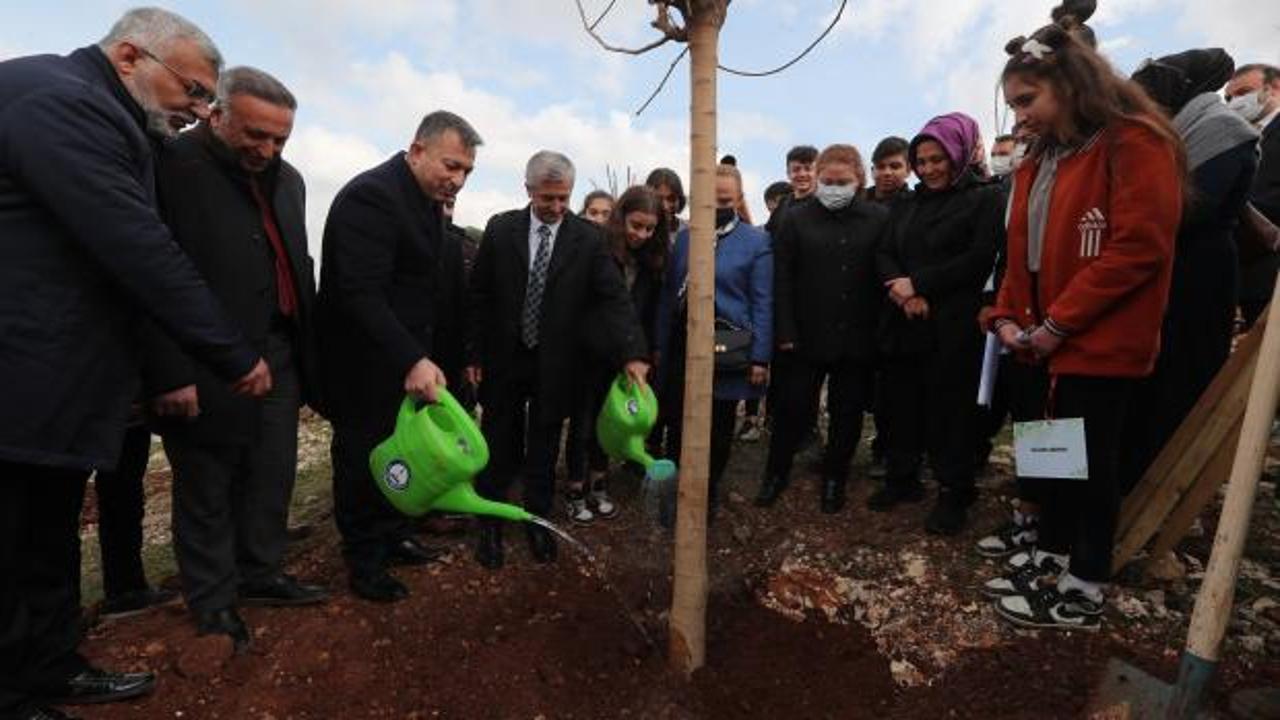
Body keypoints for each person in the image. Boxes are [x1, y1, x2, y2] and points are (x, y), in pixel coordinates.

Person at [0, 8, 272, 718]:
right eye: (193, 90)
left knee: (48, 533)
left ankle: (52, 667)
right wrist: (228, 352)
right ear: (129, 57)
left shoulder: (102, 113)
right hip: (18, 374)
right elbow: (137, 247)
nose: (199, 110)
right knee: (13, 538)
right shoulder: (61, 102)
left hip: (53, 379)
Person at [984, 7, 1182, 631]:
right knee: (1051, 458)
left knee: (1092, 465)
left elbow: (1139, 247)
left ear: (1069, 85)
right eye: (1013, 105)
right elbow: (1022, 253)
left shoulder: (1135, 141)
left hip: (1096, 342)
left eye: (1027, 100)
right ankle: (1051, 553)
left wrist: (1059, 323)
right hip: (1040, 340)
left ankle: (1086, 585)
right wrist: (1008, 317)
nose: (1019, 117)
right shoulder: (1042, 159)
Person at [142, 66, 329, 649]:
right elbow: (148, 274)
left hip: (280, 349)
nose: (267, 150)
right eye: (256, 135)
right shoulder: (172, 166)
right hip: (204, 354)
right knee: (207, 482)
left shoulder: (290, 181)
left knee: (273, 470)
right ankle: (213, 601)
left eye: (280, 139)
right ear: (217, 114)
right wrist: (169, 371)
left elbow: (298, 262)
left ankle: (262, 572)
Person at [317, 110, 479, 603]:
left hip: (401, 362)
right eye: (451, 166)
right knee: (363, 459)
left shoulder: (424, 201)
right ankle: (364, 562)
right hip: (364, 365)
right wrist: (411, 358)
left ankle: (392, 535)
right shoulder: (372, 197)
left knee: (400, 453)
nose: (458, 180)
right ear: (417, 150)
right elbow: (359, 293)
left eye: (467, 171)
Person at [468, 151, 649, 569]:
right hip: (504, 356)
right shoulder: (500, 229)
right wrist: (472, 353)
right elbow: (479, 295)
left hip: (557, 360)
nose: (556, 207)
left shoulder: (588, 239)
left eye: (563, 198)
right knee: (498, 439)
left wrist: (633, 352)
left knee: (545, 442)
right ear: (528, 190)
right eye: (547, 198)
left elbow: (614, 298)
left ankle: (538, 519)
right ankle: (491, 521)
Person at [1122, 50, 1259, 491]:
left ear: (1181, 87)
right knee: (1147, 382)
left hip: (1197, 274)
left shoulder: (1221, 130)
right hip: (1159, 268)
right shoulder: (1173, 134)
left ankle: (1164, 485)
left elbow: (1189, 210)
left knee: (1181, 380)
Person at [870, 112, 1003, 536]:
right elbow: (884, 251)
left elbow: (979, 257)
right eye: (921, 161)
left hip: (954, 325)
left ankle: (954, 492)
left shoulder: (985, 198)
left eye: (937, 159)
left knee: (951, 414)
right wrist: (902, 290)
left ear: (958, 154)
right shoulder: (907, 203)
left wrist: (921, 284)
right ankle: (901, 477)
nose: (928, 169)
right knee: (901, 405)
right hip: (905, 318)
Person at [759, 145, 888, 513]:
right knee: (792, 409)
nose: (834, 189)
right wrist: (785, 331)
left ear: (858, 180)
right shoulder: (795, 219)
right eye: (827, 182)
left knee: (847, 413)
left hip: (856, 336)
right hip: (804, 336)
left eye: (842, 182)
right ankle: (776, 473)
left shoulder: (878, 219)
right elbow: (782, 278)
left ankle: (835, 478)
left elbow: (882, 274)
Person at [657, 163, 773, 518]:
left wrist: (760, 357)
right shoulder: (687, 237)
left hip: (726, 343)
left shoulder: (756, 242)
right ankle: (676, 491)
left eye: (726, 200)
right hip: (682, 342)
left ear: (738, 199)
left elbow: (763, 301)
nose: (718, 205)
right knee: (677, 420)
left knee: (718, 424)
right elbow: (668, 293)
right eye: (712, 199)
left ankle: (706, 493)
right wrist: (659, 344)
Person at [564, 186, 669, 523]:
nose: (641, 234)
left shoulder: (651, 261)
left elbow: (645, 313)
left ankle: (599, 482)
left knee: (612, 422)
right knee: (582, 422)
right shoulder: (598, 249)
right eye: (636, 225)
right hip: (587, 353)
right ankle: (575, 488)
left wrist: (640, 354)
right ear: (620, 217)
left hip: (625, 359)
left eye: (650, 228)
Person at [1224, 63, 1280, 327]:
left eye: (1243, 92)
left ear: (1275, 88)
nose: (1234, 102)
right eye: (1228, 98)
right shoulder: (1239, 140)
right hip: (1248, 278)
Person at [863, 137, 913, 205]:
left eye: (895, 167)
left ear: (908, 170)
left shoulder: (917, 204)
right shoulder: (856, 201)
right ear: (872, 171)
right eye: (880, 167)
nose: (887, 173)